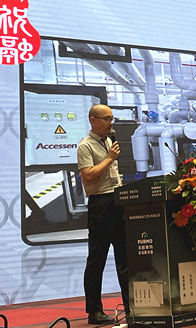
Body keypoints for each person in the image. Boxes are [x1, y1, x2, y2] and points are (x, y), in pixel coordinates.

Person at [77, 104, 130, 325]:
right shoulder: (85, 146)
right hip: (100, 204)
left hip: (118, 201)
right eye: (106, 119)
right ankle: (94, 311)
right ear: (93, 120)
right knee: (97, 259)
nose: (111, 123)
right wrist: (109, 158)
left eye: (111, 118)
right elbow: (88, 176)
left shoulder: (109, 141)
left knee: (125, 258)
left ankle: (132, 306)